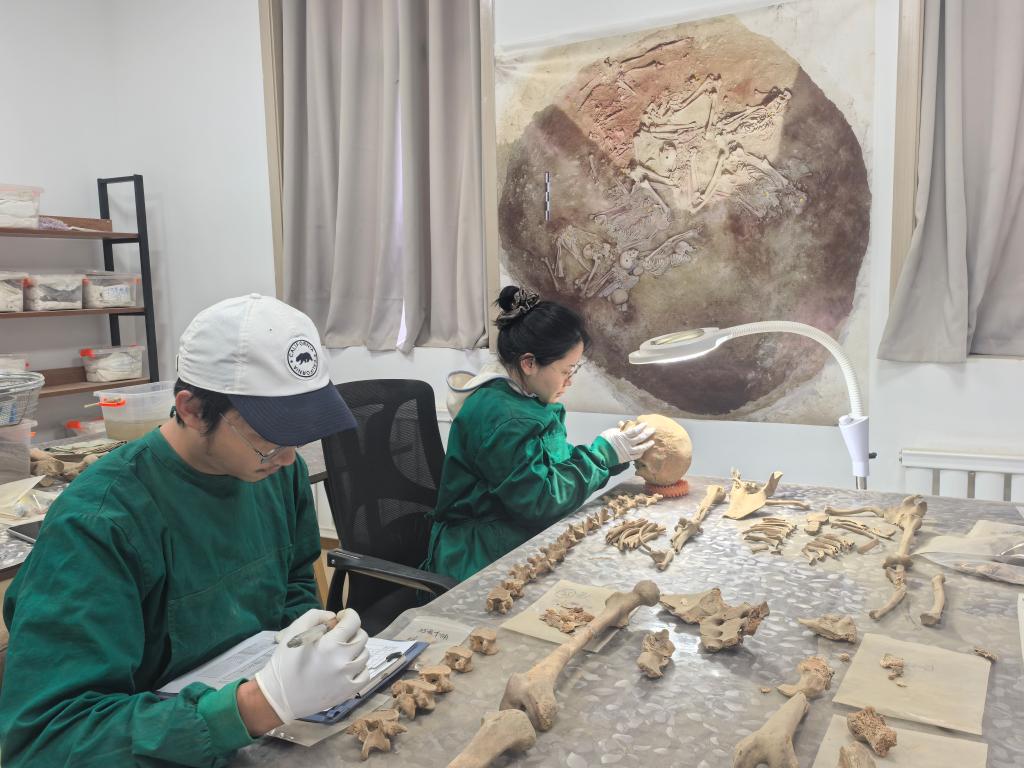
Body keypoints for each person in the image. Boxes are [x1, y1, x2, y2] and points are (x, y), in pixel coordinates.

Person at [0, 294, 370, 767]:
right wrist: (256, 705)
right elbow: (44, 742)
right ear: (192, 409)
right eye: (268, 438)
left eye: (299, 436)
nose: (286, 457)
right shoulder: (98, 525)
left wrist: (308, 647)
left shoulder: (277, 475)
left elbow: (295, 578)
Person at [423, 286, 654, 582]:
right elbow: (539, 500)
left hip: (511, 533)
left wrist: (611, 454)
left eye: (574, 371)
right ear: (529, 363)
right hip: (478, 556)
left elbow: (549, 467)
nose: (569, 381)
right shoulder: (504, 418)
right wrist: (602, 456)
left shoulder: (527, 400)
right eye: (566, 371)